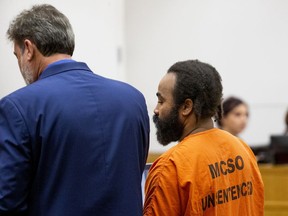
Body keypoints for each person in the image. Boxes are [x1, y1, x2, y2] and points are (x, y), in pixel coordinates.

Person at [0, 4, 149, 216]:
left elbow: (8, 202)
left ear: (29, 48)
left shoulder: (18, 107)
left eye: (17, 56)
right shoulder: (133, 99)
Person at [143, 60, 264, 215]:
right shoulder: (243, 150)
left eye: (161, 101)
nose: (156, 110)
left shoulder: (170, 168)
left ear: (186, 107)